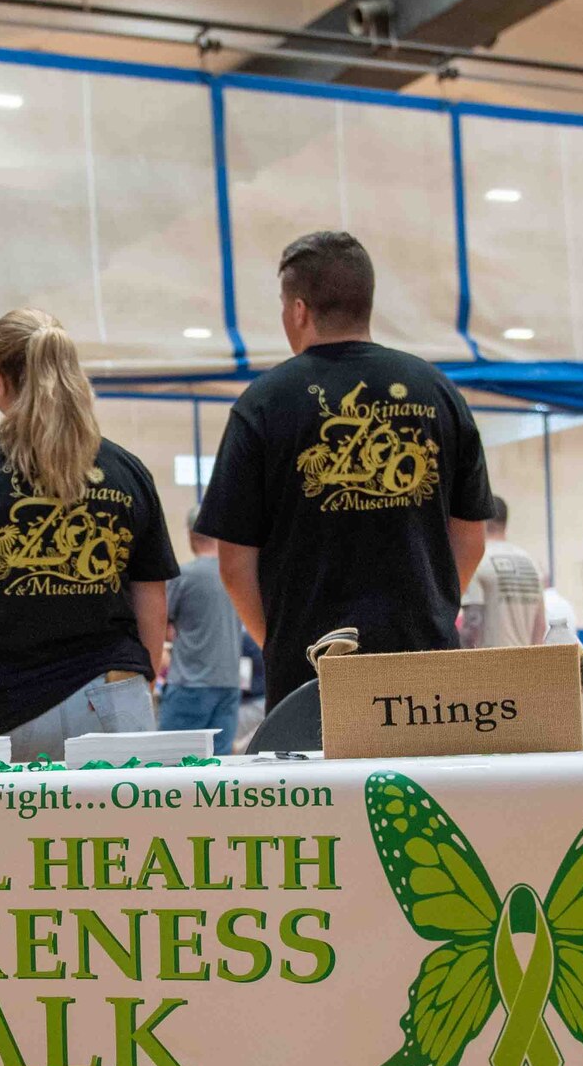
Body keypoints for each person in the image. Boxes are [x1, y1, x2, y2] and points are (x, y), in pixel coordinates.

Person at [195, 232, 494, 709]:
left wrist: (282, 641)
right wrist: (430, 613)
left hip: (309, 676)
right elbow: (471, 540)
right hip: (425, 674)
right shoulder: (438, 392)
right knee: (417, 788)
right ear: (366, 303)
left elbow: (233, 565)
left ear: (298, 310)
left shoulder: (263, 404)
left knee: (317, 788)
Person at [0, 308, 178, 761]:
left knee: (19, 835)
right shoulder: (127, 472)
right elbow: (151, 595)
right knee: (128, 834)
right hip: (114, 693)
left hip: (6, 704)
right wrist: (141, 679)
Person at [159, 509, 246, 753]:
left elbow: (158, 623)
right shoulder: (237, 577)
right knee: (218, 772)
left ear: (190, 535)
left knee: (171, 768)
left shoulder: (183, 576)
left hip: (190, 685)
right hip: (229, 684)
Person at [458, 497, 546, 649]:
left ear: (479, 520)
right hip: (525, 666)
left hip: (490, 667)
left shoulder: (477, 560)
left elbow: (472, 625)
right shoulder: (530, 563)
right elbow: (540, 626)